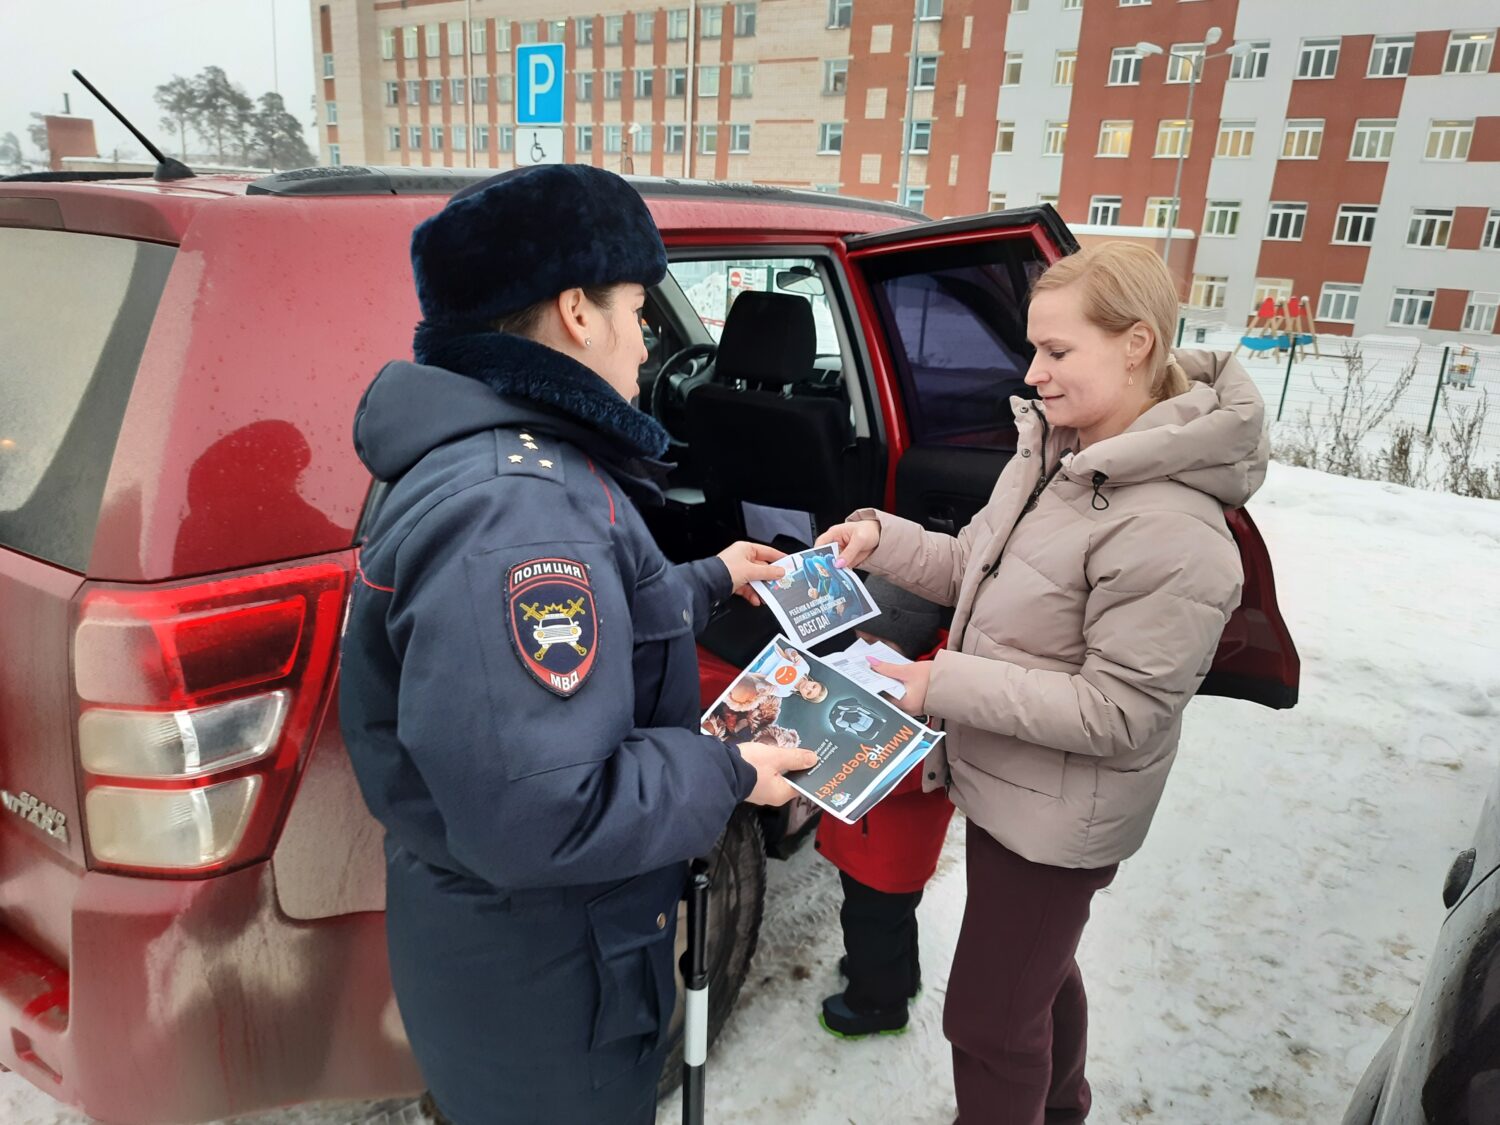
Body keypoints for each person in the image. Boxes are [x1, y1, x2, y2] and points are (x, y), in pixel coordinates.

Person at [338, 164, 817, 1125]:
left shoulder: (507, 463)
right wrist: (729, 773)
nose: (647, 342)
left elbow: (590, 623)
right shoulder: (519, 512)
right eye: (639, 310)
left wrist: (717, 573)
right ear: (576, 313)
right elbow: (546, 813)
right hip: (550, 981)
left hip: (528, 958)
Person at [818, 242, 1268, 1124]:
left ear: (1137, 344)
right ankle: (1061, 1109)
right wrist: (882, 537)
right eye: (1034, 349)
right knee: (1036, 973)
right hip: (1017, 788)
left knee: (988, 1020)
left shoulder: (1173, 526)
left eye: (1057, 352)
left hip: (1062, 814)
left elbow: (1121, 714)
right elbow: (977, 566)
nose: (1033, 373)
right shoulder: (1063, 455)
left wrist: (938, 682)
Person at [815, 577, 955, 1040]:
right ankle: (900, 974)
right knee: (892, 919)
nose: (861, 650)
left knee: (870, 921)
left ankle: (877, 1004)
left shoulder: (932, 697)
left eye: (871, 642)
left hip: (887, 849)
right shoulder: (926, 673)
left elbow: (913, 774)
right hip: (878, 843)